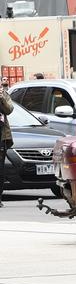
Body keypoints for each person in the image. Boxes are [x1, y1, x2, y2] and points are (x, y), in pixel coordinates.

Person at [0, 77, 14, 208]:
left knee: (0, 169)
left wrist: (1, 98)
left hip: (2, 135)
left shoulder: (3, 94)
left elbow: (9, 109)